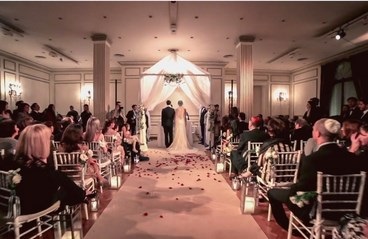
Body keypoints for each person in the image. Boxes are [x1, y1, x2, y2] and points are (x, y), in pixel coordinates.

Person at [267, 118, 360, 232]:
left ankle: (289, 228)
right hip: (348, 209)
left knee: (272, 192)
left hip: (320, 209)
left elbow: (303, 189)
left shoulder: (313, 159)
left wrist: (292, 189)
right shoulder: (352, 157)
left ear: (317, 133)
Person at [13, 124, 94, 214]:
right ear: (41, 145)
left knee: (62, 183)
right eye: (47, 140)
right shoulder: (42, 169)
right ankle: (83, 196)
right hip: (37, 207)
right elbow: (56, 184)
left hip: (16, 205)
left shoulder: (16, 160)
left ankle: (82, 195)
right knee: (64, 187)